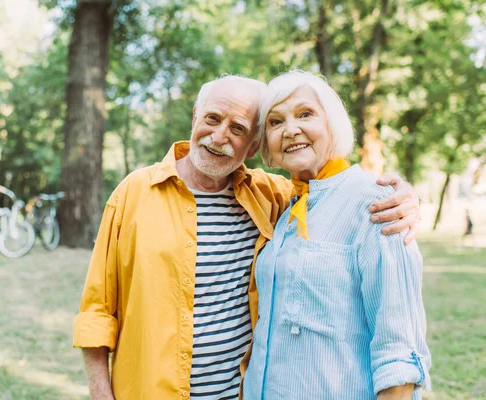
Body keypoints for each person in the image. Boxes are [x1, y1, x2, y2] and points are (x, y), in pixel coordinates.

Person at [73, 75, 421, 400]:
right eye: (212, 118)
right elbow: (97, 311)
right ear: (195, 117)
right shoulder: (133, 194)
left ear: (254, 145)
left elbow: (332, 190)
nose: (220, 136)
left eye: (238, 128)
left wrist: (400, 196)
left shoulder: (272, 197)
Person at [242, 71, 431, 400]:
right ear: (266, 144)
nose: (291, 130)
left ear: (333, 124)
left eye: (305, 114)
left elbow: (398, 351)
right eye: (275, 122)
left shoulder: (376, 203)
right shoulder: (286, 211)